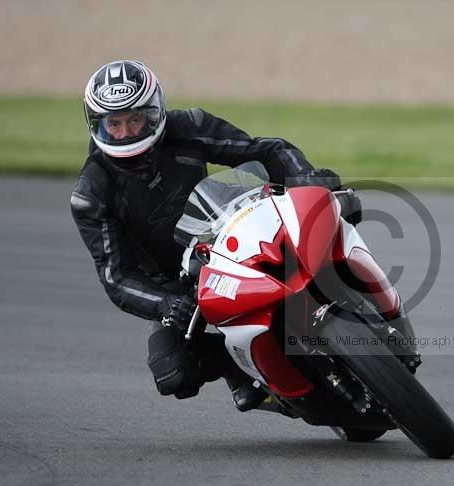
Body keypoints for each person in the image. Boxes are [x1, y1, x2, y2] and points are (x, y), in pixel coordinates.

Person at [71, 60, 361, 411]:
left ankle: (367, 306)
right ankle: (235, 365)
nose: (127, 132)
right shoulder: (92, 192)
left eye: (135, 119)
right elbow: (116, 278)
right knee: (171, 373)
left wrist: (307, 177)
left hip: (231, 235)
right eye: (114, 124)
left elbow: (265, 149)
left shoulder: (189, 126)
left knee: (326, 216)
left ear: (154, 112)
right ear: (96, 126)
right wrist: (164, 303)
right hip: (177, 285)